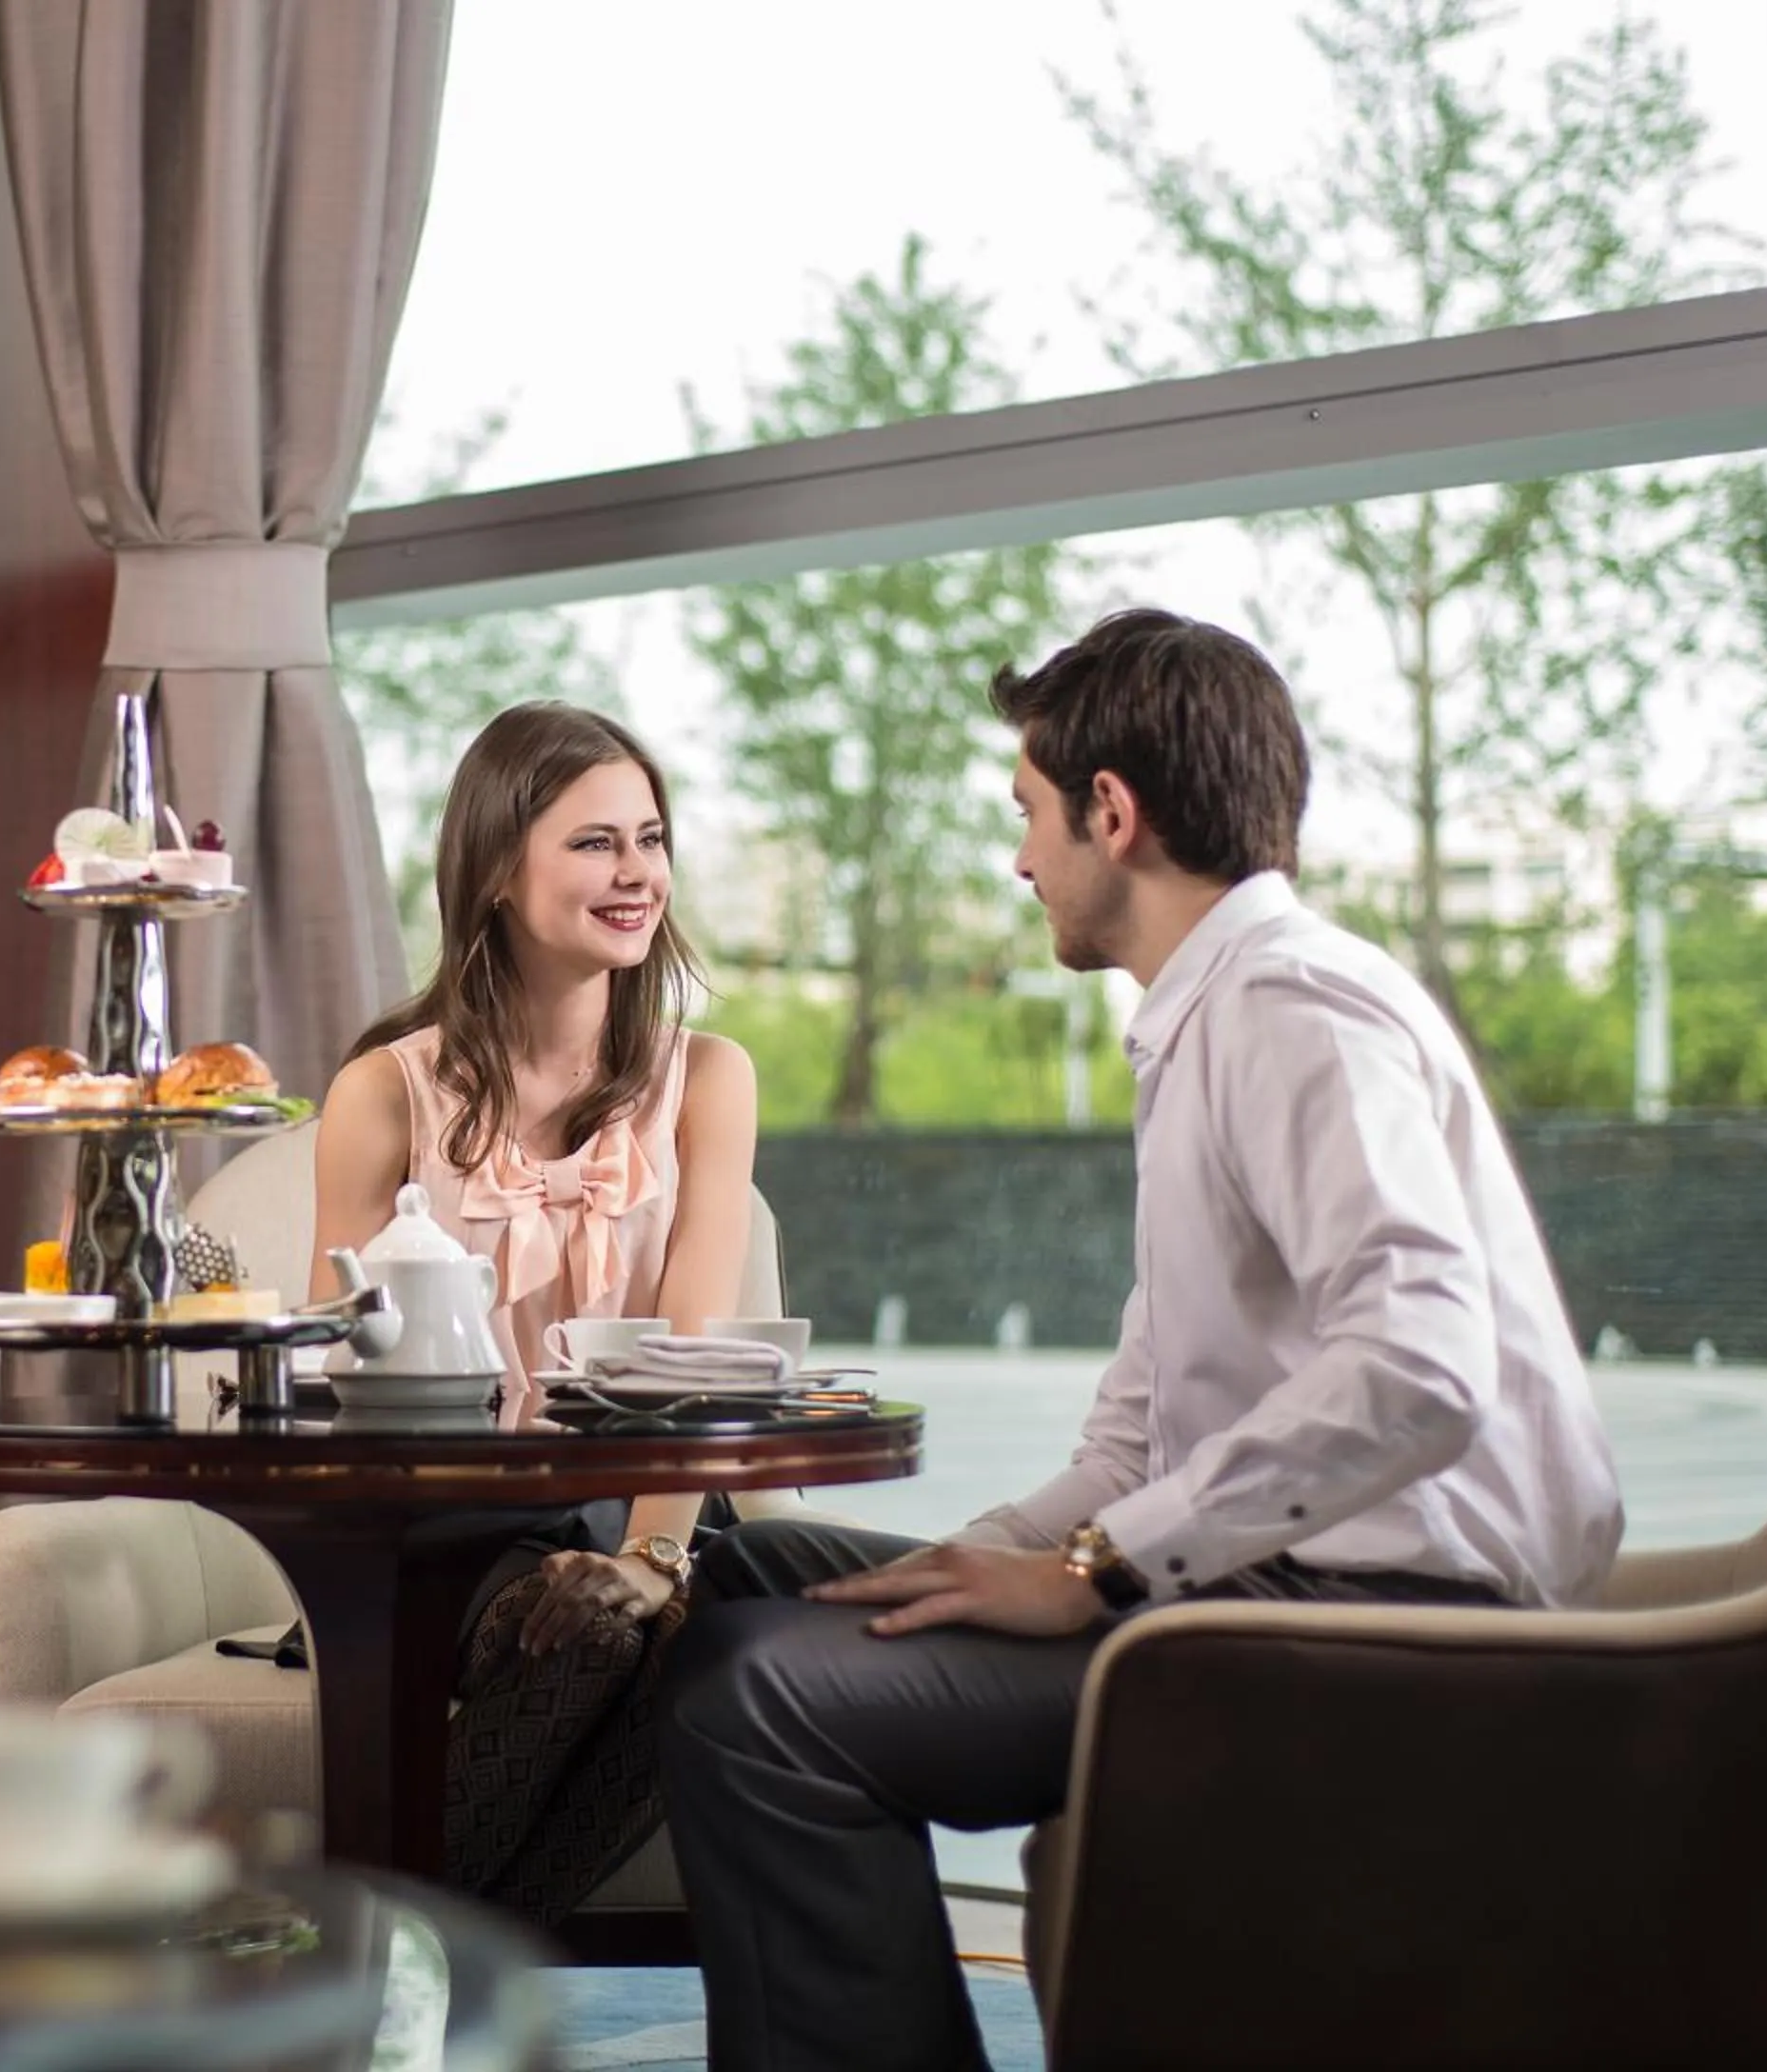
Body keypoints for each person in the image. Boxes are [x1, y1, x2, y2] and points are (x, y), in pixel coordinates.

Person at [655, 608, 1624, 2072]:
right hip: (1273, 1589)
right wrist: (987, 1555)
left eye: (1027, 815)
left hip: (1385, 1634)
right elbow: (1142, 1426)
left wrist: (1095, 1571)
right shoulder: (1204, 1025)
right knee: (759, 1572)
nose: (1020, 862)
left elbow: (1421, 1366)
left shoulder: (1295, 1006)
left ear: (1111, 812)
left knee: (760, 1698)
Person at [308, 699, 761, 1923]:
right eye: (595, 842)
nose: (638, 873)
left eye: (651, 839)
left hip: (655, 1501)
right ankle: (411, 1966)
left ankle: (377, 1961)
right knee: (588, 1634)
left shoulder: (710, 1078)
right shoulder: (383, 1089)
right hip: (448, 1531)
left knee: (701, 1634)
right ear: (498, 868)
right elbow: (339, 1362)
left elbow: (698, 1352)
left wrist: (651, 1558)